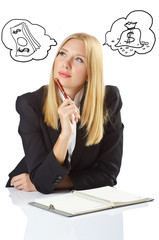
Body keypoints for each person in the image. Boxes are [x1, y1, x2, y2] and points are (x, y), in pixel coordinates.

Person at [6, 33, 124, 194]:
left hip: (74, 198)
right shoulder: (29, 104)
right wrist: (65, 135)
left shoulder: (109, 99)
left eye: (79, 59)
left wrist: (58, 183)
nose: (65, 64)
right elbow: (42, 182)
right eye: (62, 54)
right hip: (24, 195)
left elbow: (108, 175)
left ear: (91, 71)